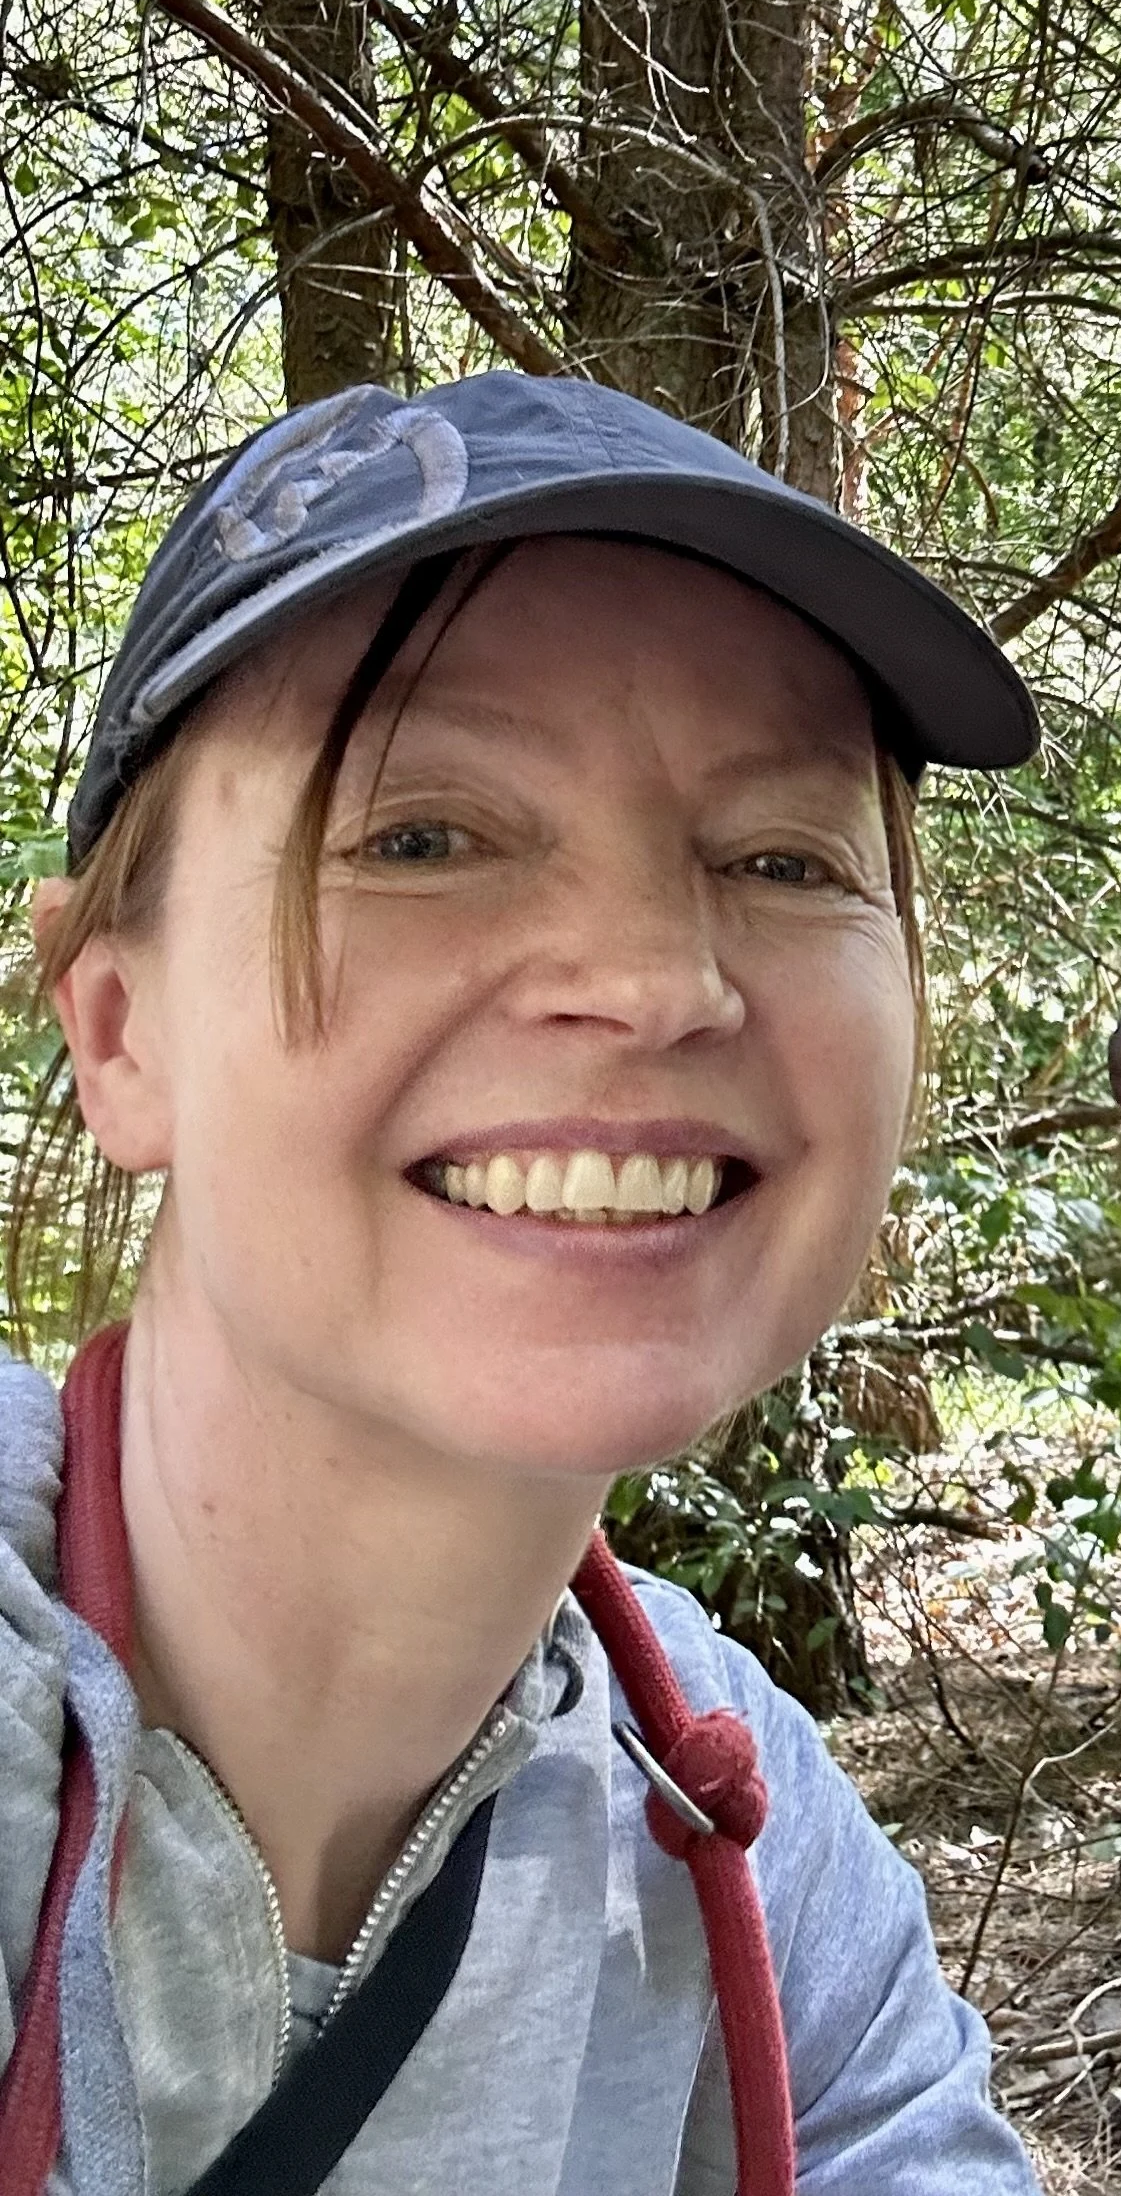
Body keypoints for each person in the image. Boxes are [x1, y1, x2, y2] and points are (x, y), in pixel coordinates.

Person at [0, 369, 1045, 2193]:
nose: (655, 979)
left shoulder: (743, 1829)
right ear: (118, 1032)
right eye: (423, 837)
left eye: (782, 858)